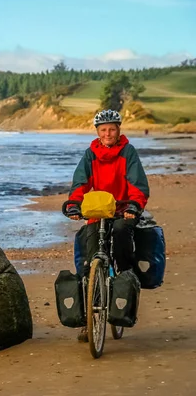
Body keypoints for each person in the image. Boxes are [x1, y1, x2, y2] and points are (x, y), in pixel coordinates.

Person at [65, 109, 150, 341]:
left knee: (122, 232)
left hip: (123, 210)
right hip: (98, 212)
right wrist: (74, 204)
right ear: (97, 132)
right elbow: (80, 181)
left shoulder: (128, 152)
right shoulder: (90, 154)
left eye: (112, 129)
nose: (108, 133)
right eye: (103, 130)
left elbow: (137, 182)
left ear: (118, 130)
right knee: (87, 262)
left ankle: (125, 275)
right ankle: (87, 321)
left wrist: (134, 205)